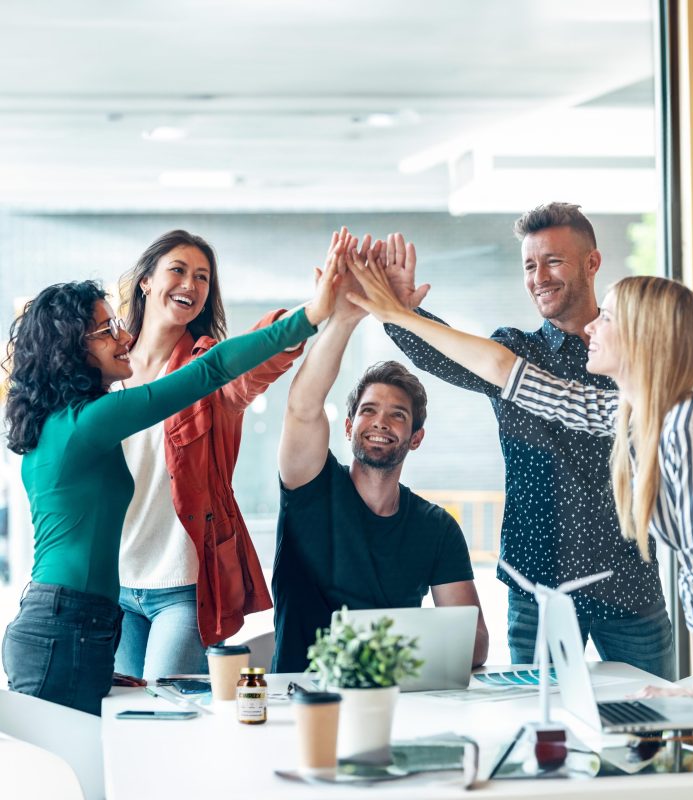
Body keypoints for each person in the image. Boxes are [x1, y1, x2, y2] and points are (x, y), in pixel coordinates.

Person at [346, 256, 693, 735]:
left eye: (606, 317)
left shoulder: (685, 423)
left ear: (643, 337)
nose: (593, 325)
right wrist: (397, 314)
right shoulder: (630, 414)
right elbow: (509, 374)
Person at [1, 261, 336, 715]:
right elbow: (210, 370)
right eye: (105, 330)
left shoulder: (61, 423)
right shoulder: (85, 424)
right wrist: (312, 314)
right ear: (70, 349)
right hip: (66, 625)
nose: (124, 338)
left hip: (78, 621)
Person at [381, 205, 681, 679]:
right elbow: (446, 356)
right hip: (538, 587)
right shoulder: (514, 350)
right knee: (545, 735)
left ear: (592, 263)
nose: (538, 276)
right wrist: (401, 313)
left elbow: (677, 468)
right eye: (528, 265)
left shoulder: (630, 353)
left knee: (652, 733)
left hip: (630, 585)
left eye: (553, 261)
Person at [271, 231, 489, 673]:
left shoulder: (436, 528)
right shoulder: (310, 487)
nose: (381, 423)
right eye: (369, 411)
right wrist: (346, 318)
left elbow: (475, 645)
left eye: (398, 416)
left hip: (398, 698)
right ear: (349, 427)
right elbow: (302, 406)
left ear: (416, 437)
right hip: (302, 698)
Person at [112, 230, 306, 681]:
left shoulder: (206, 368)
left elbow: (255, 363)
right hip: (113, 584)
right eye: (177, 270)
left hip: (182, 586)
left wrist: (313, 312)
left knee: (168, 710)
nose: (190, 284)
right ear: (145, 281)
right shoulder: (104, 369)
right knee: (122, 716)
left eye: (202, 277)